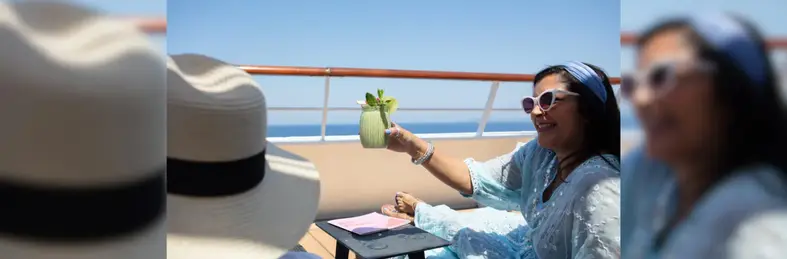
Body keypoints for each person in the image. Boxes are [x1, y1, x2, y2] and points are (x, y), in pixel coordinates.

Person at [380, 62, 621, 258]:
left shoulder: (601, 188)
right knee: (476, 225)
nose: (536, 112)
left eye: (548, 100)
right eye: (531, 104)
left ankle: (419, 215)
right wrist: (412, 146)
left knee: (469, 236)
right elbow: (477, 179)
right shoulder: (541, 154)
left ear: (588, 108)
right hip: (527, 245)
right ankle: (422, 214)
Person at [620, 13, 787, 258]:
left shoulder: (758, 224)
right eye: (632, 84)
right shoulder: (654, 177)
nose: (640, 99)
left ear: (732, 88)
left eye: (661, 76)